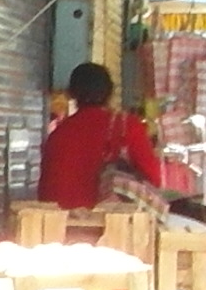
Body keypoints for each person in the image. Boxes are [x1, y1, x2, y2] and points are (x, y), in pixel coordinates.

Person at [35, 61, 169, 208]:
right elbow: (154, 178)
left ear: (71, 93)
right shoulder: (126, 126)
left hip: (57, 219)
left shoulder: (57, 134)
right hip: (107, 219)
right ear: (110, 92)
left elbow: (45, 192)